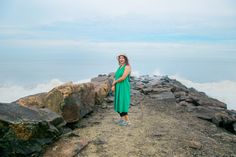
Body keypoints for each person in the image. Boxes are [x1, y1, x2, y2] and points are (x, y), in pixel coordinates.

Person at [112, 53, 131, 126]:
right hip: (118, 86)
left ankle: (125, 121)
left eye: (122, 58)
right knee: (119, 102)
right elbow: (116, 76)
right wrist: (114, 85)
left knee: (123, 103)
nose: (121, 59)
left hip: (124, 87)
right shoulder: (120, 66)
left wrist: (114, 83)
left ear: (125, 59)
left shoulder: (127, 67)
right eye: (120, 58)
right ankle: (125, 120)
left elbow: (123, 78)